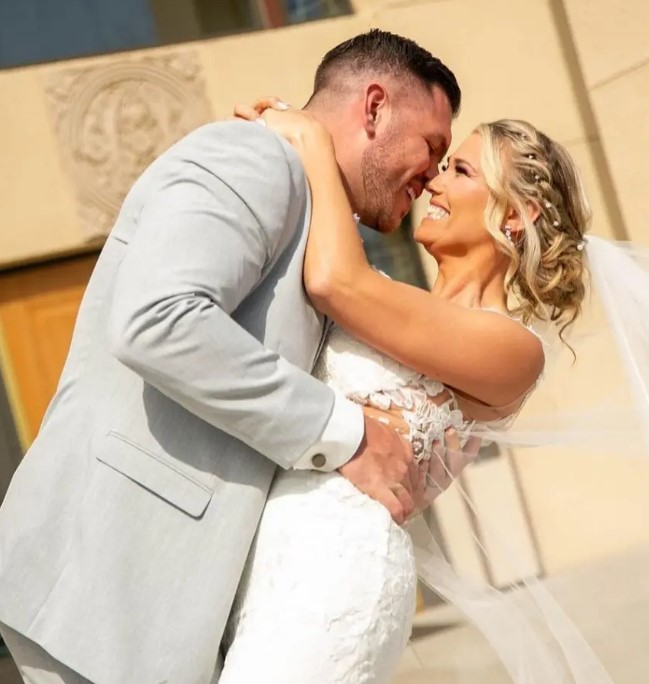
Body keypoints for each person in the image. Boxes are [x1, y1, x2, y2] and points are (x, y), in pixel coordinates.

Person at [0, 30, 463, 684]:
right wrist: (348, 435)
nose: (432, 173)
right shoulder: (252, 157)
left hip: (181, 602)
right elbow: (157, 320)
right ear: (374, 107)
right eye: (432, 147)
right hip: (108, 582)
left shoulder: (313, 210)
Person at [218, 102, 593, 684]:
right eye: (442, 167)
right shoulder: (386, 295)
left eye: (460, 172)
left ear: (518, 215)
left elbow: (333, 280)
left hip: (341, 574)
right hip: (264, 557)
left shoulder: (512, 350)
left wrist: (312, 137)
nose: (434, 182)